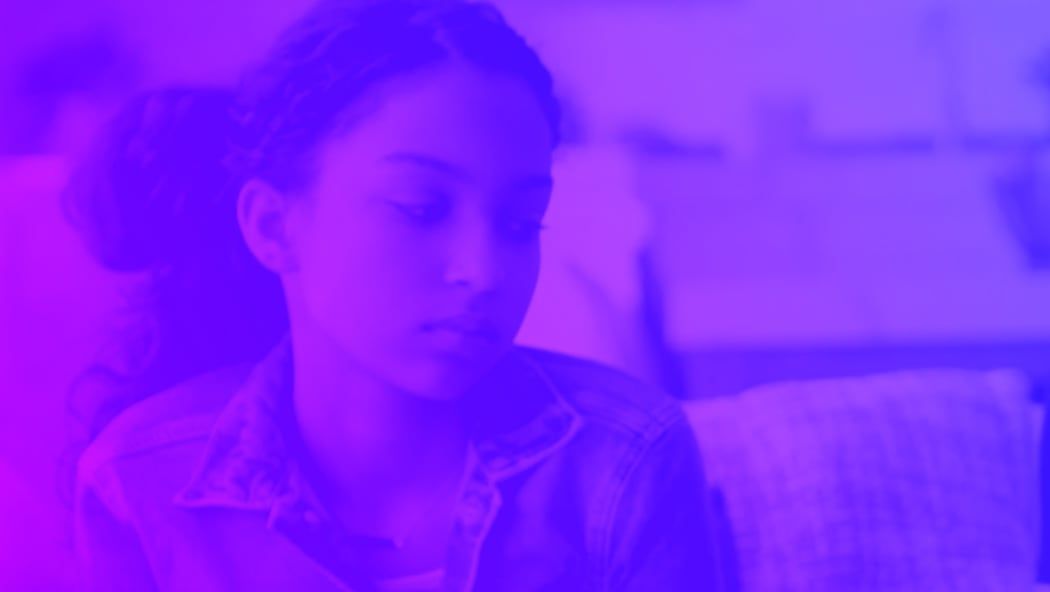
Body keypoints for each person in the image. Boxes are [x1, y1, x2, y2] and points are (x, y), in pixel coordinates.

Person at [67, 1, 734, 590]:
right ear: (272, 226)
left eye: (520, 222)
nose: (483, 271)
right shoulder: (139, 484)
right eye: (420, 208)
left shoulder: (621, 465)